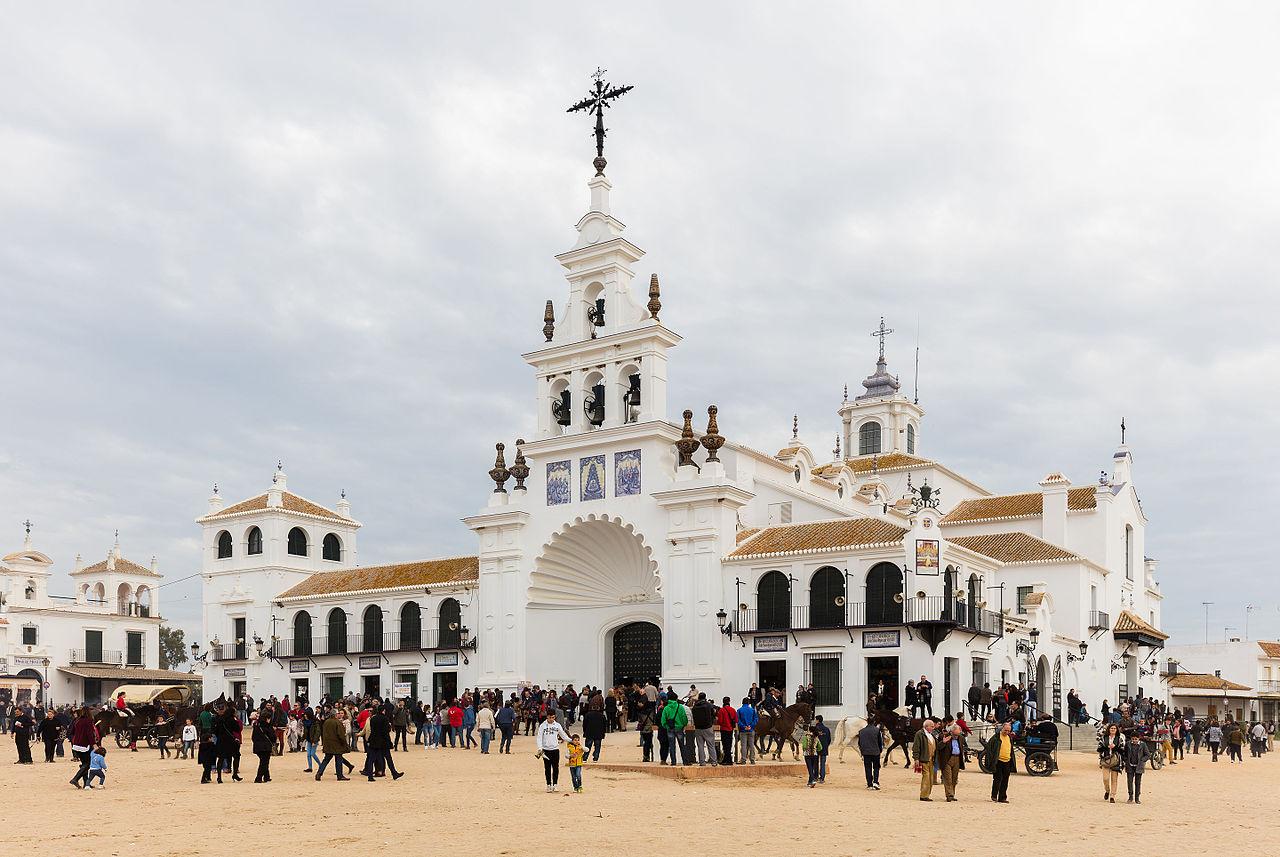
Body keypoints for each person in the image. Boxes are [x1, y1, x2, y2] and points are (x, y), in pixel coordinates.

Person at [364, 706, 404, 781]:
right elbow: (385, 732)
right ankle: (394, 773)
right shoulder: (385, 719)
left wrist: (369, 740)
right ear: (383, 711)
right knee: (388, 758)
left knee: (371, 759)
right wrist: (389, 742)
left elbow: (372, 730)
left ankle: (370, 776)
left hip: (374, 740)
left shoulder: (373, 718)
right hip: (383, 742)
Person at [315, 708, 353, 781]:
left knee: (326, 760)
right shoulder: (337, 722)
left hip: (328, 744)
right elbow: (341, 735)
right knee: (338, 760)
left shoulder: (326, 722)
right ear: (336, 714)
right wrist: (344, 744)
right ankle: (340, 775)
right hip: (336, 744)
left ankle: (319, 773)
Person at [536, 711, 570, 792]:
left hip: (555, 749)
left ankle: (555, 784)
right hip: (545, 749)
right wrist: (540, 748)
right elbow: (539, 737)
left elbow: (563, 735)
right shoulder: (542, 726)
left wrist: (571, 740)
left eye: (553, 717)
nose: (551, 719)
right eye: (550, 717)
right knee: (547, 768)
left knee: (555, 768)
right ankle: (548, 785)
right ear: (547, 717)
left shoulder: (557, 725)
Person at [984, 722, 1015, 803]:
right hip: (998, 761)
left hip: (1007, 761)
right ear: (1002, 728)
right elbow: (989, 749)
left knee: (1005, 780)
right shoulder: (996, 737)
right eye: (1005, 730)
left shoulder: (1009, 738)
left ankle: (1002, 797)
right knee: (997, 779)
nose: (1007, 732)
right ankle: (994, 795)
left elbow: (1011, 750)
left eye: (1009, 731)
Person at [69, 708, 97, 788]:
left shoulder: (77, 720)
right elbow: (89, 734)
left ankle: (86, 783)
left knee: (84, 764)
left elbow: (72, 732)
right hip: (84, 745)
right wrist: (94, 744)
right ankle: (75, 779)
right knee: (87, 764)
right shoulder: (88, 721)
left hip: (76, 744)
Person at [659, 693, 689, 766]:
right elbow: (684, 718)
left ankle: (673, 762)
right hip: (679, 728)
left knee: (672, 746)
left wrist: (666, 726)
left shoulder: (666, 708)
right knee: (682, 745)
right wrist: (683, 725)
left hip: (670, 728)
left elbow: (663, 720)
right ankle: (685, 761)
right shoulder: (680, 707)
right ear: (676, 699)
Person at [1098, 722, 1125, 803]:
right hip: (1106, 760)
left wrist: (1115, 747)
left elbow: (1123, 750)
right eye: (1111, 728)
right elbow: (1099, 749)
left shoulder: (1119, 738)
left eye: (1114, 728)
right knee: (1105, 779)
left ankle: (1112, 796)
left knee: (1114, 780)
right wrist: (1107, 747)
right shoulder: (1104, 738)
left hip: (1116, 760)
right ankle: (1107, 790)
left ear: (1116, 730)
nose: (1113, 730)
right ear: (1109, 729)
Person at [938, 723, 965, 802]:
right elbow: (938, 747)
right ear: (953, 730)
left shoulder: (961, 738)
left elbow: (963, 747)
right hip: (947, 759)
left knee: (954, 778)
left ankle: (952, 794)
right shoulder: (944, 736)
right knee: (948, 778)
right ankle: (949, 795)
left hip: (957, 759)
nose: (960, 731)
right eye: (958, 730)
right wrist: (943, 742)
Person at [1123, 729, 1151, 803]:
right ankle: (1130, 797)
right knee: (1129, 782)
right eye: (1133, 739)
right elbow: (1124, 754)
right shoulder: (1128, 744)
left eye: (1136, 739)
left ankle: (1137, 798)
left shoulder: (1143, 744)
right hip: (1130, 765)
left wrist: (1142, 760)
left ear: (1139, 738)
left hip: (1139, 766)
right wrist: (1126, 760)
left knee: (1137, 783)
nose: (1134, 740)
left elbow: (1148, 755)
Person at [912, 718, 937, 801]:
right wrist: (916, 759)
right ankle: (923, 795)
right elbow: (916, 747)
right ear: (926, 727)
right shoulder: (919, 734)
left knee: (931, 778)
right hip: (923, 759)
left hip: (931, 759)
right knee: (926, 777)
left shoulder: (931, 735)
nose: (933, 728)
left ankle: (927, 794)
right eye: (932, 726)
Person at [691, 692, 717, 766]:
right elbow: (713, 714)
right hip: (708, 727)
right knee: (711, 745)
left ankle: (702, 762)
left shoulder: (695, 706)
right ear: (705, 697)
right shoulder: (709, 705)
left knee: (700, 746)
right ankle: (714, 761)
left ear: (699, 698)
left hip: (698, 728)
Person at [857, 719, 883, 789]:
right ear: (874, 722)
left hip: (866, 753)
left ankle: (869, 784)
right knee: (876, 767)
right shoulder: (877, 730)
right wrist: (880, 751)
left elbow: (859, 743)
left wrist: (862, 752)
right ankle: (875, 782)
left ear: (867, 722)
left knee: (868, 768)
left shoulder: (861, 731)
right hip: (875, 752)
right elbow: (880, 742)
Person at [251, 712, 275, 782]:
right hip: (266, 747)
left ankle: (267, 776)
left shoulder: (256, 725)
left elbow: (253, 737)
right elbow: (272, 737)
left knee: (264, 761)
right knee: (264, 762)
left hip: (257, 747)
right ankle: (258, 778)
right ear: (267, 719)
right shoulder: (267, 726)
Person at [736, 697, 758, 765]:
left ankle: (743, 759)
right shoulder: (752, 710)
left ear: (742, 702)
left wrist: (744, 726)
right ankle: (752, 760)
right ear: (749, 703)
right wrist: (750, 726)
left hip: (743, 730)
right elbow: (756, 719)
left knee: (743, 746)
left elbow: (738, 720)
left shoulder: (739, 710)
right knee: (751, 745)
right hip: (751, 730)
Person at [813, 715, 832, 784]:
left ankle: (815, 777)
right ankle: (822, 778)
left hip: (816, 748)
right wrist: (826, 745)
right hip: (824, 748)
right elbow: (829, 739)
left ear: (817, 720)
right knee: (822, 763)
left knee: (815, 763)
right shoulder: (826, 729)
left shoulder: (814, 729)